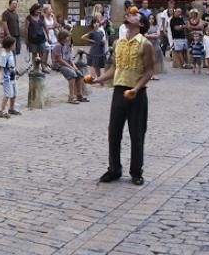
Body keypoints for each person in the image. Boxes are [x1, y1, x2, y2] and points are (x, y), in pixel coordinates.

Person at [94, 13, 154, 186]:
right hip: (119, 91)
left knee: (137, 134)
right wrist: (100, 79)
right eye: (128, 15)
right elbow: (114, 68)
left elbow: (149, 70)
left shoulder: (146, 44)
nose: (129, 16)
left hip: (137, 94)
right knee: (114, 132)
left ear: (141, 23)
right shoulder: (117, 43)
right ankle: (114, 169)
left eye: (134, 16)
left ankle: (136, 171)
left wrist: (136, 88)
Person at [52, 30, 86, 104]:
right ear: (62, 38)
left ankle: (79, 95)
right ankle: (71, 97)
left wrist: (74, 66)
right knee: (72, 75)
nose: (69, 38)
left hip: (67, 63)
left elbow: (70, 59)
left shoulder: (68, 45)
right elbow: (60, 60)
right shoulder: (58, 46)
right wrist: (71, 68)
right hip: (58, 65)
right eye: (67, 37)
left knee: (79, 74)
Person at [0, 36, 20, 118]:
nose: (15, 46)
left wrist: (15, 70)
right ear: (10, 45)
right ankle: (2, 111)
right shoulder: (4, 55)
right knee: (7, 95)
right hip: (7, 79)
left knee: (14, 94)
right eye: (14, 45)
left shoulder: (11, 53)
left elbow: (11, 65)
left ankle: (11, 108)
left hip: (13, 77)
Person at [26, 3, 50, 72]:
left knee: (42, 53)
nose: (39, 11)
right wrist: (26, 40)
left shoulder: (41, 17)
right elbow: (26, 29)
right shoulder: (29, 17)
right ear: (34, 10)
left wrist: (48, 37)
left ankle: (43, 67)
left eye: (40, 10)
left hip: (41, 38)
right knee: (34, 53)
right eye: (38, 10)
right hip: (32, 39)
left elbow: (45, 27)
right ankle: (35, 68)